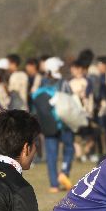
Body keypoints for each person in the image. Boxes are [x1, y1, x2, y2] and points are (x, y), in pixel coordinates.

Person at [32, 57, 74, 193]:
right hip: (63, 123)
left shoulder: (42, 84)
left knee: (51, 154)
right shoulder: (63, 83)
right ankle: (64, 171)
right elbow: (70, 100)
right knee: (69, 148)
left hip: (48, 124)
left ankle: (53, 185)